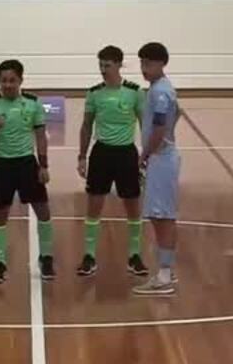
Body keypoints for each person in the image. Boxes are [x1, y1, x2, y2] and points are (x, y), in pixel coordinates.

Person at [0, 60, 55, 284]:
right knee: (0, 214)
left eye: (12, 80)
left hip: (26, 163)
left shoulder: (32, 103)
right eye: (3, 80)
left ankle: (47, 257)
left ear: (21, 80)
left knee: (43, 210)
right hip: (0, 164)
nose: (8, 85)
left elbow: (40, 136)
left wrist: (43, 165)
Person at [76, 45, 149, 278]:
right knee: (94, 206)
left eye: (107, 65)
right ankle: (89, 256)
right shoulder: (94, 93)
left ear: (119, 64)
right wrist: (81, 156)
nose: (103, 69)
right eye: (101, 65)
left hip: (126, 154)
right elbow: (86, 126)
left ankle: (134, 256)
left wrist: (146, 156)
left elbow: (145, 124)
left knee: (133, 206)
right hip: (101, 153)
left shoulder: (134, 92)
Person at [132, 42, 182, 296]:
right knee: (157, 214)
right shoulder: (159, 89)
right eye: (142, 63)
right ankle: (166, 269)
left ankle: (164, 273)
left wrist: (146, 154)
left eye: (148, 63)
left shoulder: (160, 92)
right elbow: (179, 113)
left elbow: (161, 127)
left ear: (162, 63)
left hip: (161, 158)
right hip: (162, 157)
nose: (144, 68)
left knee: (163, 215)